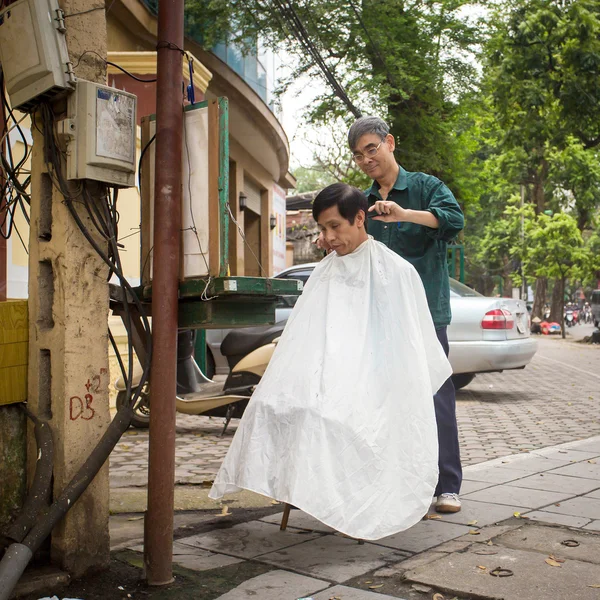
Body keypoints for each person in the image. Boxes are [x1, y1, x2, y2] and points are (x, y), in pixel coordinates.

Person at [209, 183, 452, 540]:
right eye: (322, 229)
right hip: (330, 377)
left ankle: (348, 500)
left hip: (377, 384)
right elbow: (308, 338)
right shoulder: (324, 272)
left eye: (335, 226)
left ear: (359, 218)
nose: (328, 237)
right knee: (272, 406)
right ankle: (312, 493)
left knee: (337, 416)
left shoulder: (395, 272)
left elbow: (404, 349)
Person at [318, 116, 465, 513]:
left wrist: (404, 214)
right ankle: (395, 481)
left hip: (425, 314)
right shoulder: (359, 203)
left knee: (435, 393)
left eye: (372, 148)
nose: (367, 159)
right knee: (381, 399)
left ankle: (447, 485)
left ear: (390, 143)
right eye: (359, 155)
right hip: (379, 316)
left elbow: (454, 221)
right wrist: (328, 237)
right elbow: (348, 244)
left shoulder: (424, 187)